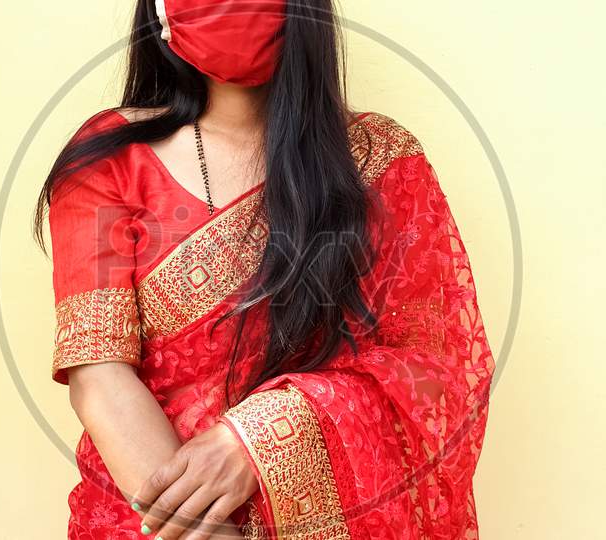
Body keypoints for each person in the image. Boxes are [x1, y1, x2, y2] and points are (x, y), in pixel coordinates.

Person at [34, 1, 496, 538]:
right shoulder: (109, 158)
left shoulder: (378, 162)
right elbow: (99, 374)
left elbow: (430, 370)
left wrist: (260, 439)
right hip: (146, 521)